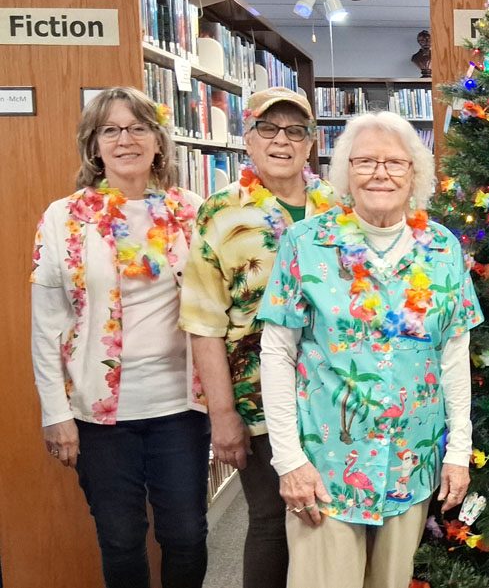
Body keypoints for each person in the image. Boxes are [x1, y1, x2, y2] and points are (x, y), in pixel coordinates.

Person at [256, 111, 483, 588]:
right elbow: (277, 354)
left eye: (395, 163)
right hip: (326, 466)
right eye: (365, 161)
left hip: (410, 463)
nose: (381, 173)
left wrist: (458, 450)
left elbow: (453, 355)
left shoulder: (443, 247)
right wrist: (289, 460)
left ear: (415, 174)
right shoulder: (305, 244)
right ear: (345, 173)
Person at [30, 87, 208, 588]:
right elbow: (45, 326)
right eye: (110, 129)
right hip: (99, 414)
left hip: (180, 406)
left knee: (187, 536)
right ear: (94, 145)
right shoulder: (64, 218)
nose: (124, 139)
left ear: (158, 140)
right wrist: (55, 413)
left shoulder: (190, 211)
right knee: (121, 538)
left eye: (137, 127)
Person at [179, 87, 338, 588]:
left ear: (312, 142)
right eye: (267, 129)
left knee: (328, 523)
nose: (282, 141)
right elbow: (204, 321)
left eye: (296, 130)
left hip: (334, 398)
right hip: (257, 400)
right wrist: (222, 415)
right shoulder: (220, 212)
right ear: (247, 138)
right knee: (272, 522)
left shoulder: (338, 206)